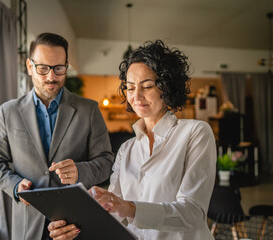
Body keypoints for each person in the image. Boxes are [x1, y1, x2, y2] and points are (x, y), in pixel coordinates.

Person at [48, 40, 216, 240]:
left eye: (147, 86)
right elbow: (113, 215)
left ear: (167, 87)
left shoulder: (195, 133)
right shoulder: (127, 149)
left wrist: (128, 207)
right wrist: (74, 227)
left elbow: (193, 213)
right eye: (130, 87)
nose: (136, 96)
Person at [0, 32, 114, 240]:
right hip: (28, 226)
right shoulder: (8, 112)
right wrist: (16, 186)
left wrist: (80, 171)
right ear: (29, 66)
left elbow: (107, 162)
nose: (51, 77)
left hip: (76, 227)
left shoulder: (89, 110)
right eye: (43, 68)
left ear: (66, 66)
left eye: (58, 68)